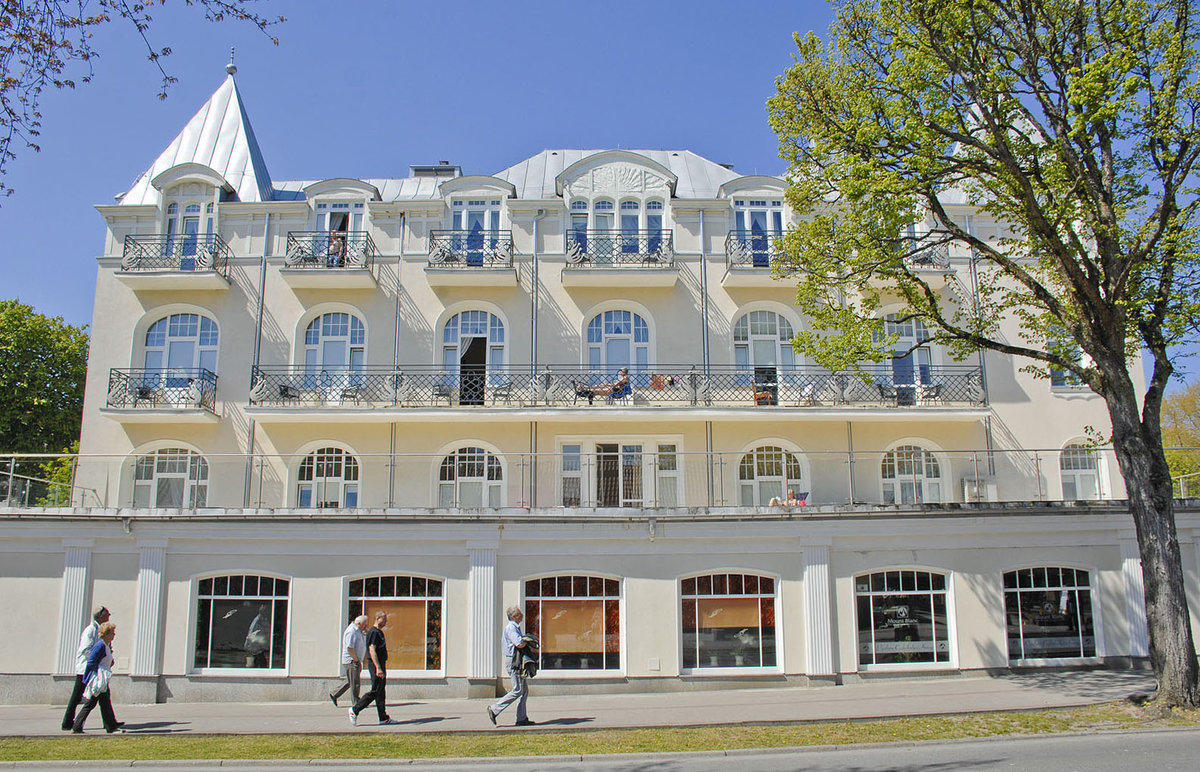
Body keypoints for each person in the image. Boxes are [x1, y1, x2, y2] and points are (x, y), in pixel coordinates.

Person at [62, 606, 111, 731]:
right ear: (100, 616)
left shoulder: (100, 629)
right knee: (80, 697)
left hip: (95, 669)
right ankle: (69, 723)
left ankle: (110, 723)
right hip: (85, 669)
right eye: (107, 615)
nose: (109, 617)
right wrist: (100, 656)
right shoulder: (90, 630)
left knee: (103, 696)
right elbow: (85, 650)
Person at [486, 606, 535, 727]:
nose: (522, 615)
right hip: (514, 661)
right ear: (514, 616)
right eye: (519, 614)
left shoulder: (515, 627)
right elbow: (519, 644)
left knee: (524, 691)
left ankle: (522, 718)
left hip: (516, 660)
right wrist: (528, 641)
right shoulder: (511, 628)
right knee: (518, 689)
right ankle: (494, 709)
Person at [72, 621, 122, 733]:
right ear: (107, 634)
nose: (114, 635)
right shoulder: (100, 646)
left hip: (102, 680)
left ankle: (110, 727)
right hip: (98, 680)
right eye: (112, 633)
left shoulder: (106, 646)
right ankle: (77, 726)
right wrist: (98, 673)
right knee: (91, 703)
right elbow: (91, 662)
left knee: (103, 703)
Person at [350, 610, 397, 726]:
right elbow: (372, 650)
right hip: (376, 666)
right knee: (375, 691)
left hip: (380, 664)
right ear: (377, 618)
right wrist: (378, 668)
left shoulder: (378, 632)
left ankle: (383, 717)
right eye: (384, 619)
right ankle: (355, 710)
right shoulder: (374, 632)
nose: (385, 622)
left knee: (381, 692)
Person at [330, 615, 369, 706]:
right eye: (364, 624)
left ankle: (334, 694)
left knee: (350, 680)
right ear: (358, 623)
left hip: (355, 659)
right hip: (351, 660)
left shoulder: (358, 631)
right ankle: (356, 702)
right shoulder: (351, 631)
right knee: (355, 682)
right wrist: (355, 660)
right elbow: (350, 648)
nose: (366, 626)